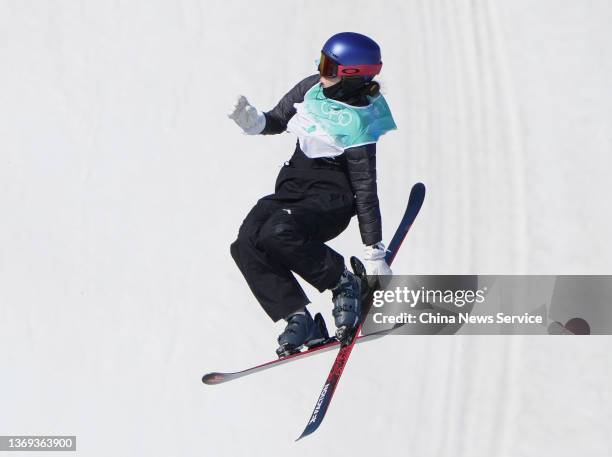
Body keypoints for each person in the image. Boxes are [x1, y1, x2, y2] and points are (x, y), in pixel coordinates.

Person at [228, 32, 397, 357]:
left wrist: (374, 251)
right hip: (294, 186)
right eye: (321, 62)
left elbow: (364, 189)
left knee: (279, 232)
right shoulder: (312, 90)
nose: (321, 72)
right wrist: (254, 122)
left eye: (329, 67)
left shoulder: (359, 120)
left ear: (351, 77)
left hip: (331, 196)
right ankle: (298, 317)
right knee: (246, 240)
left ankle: (344, 282)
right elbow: (277, 119)